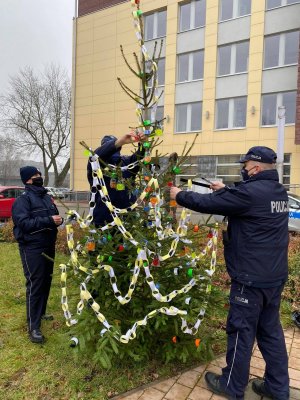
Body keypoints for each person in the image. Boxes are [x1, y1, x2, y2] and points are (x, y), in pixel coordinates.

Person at [170, 146, 289, 400]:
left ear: (256, 168)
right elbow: (247, 200)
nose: (243, 170)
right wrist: (226, 191)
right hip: (274, 276)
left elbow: (205, 203)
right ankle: (278, 388)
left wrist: (179, 195)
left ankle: (232, 386)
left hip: (250, 279)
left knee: (241, 331)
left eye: (245, 167)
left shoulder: (249, 194)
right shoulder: (278, 191)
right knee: (270, 332)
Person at [12, 166, 63, 344]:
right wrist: (48, 220)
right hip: (32, 247)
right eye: (35, 175)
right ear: (27, 180)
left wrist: (59, 220)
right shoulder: (23, 201)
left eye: (40, 174)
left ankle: (40, 313)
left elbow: (54, 215)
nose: (39, 177)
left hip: (49, 244)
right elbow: (24, 223)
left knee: (46, 280)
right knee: (35, 283)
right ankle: (33, 326)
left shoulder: (46, 197)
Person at [87, 132, 145, 227]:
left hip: (127, 219)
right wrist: (118, 143)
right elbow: (97, 155)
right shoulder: (95, 166)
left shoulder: (126, 163)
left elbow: (139, 157)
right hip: (103, 221)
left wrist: (142, 144)